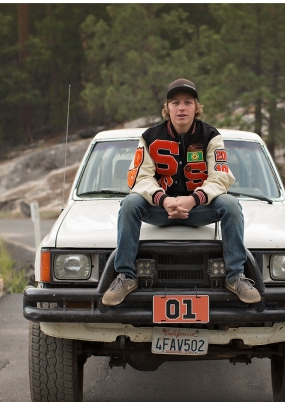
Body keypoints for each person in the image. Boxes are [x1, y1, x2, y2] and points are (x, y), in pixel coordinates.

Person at [102, 78, 261, 306]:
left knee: (231, 205)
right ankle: (126, 276)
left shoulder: (211, 136)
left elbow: (221, 175)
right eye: (175, 102)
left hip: (199, 209)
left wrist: (193, 199)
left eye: (188, 102)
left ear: (196, 107)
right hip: (160, 209)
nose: (182, 107)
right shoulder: (149, 136)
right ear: (167, 108)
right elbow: (139, 177)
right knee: (129, 204)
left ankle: (235, 276)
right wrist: (164, 200)